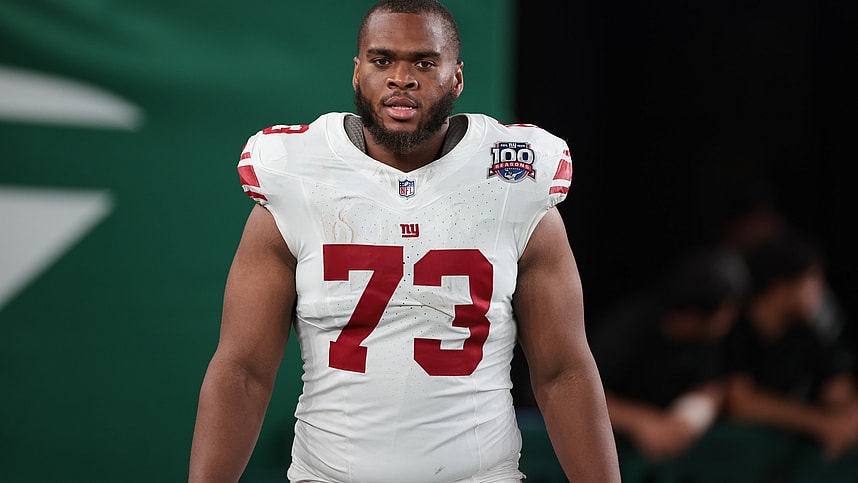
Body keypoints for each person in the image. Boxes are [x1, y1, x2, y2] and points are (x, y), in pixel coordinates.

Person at [188, 1, 621, 482]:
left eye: (425, 62)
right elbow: (243, 371)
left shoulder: (512, 183)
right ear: (357, 72)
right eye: (382, 60)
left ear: (457, 77)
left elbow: (563, 372)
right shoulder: (297, 177)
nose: (402, 78)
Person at [588, 249, 740, 478]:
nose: (732, 318)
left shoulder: (706, 342)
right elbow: (579, 393)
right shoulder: (628, 328)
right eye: (727, 310)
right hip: (599, 454)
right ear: (694, 316)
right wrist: (642, 422)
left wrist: (690, 418)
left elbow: (712, 387)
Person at [723, 232, 858, 463]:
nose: (820, 292)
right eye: (813, 279)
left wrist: (847, 421)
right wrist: (820, 424)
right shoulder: (731, 328)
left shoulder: (805, 334)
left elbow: (838, 391)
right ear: (780, 287)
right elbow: (741, 402)